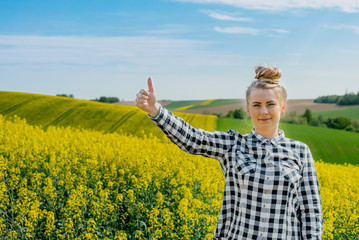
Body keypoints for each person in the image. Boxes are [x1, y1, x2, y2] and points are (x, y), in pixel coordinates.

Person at [135, 66, 324, 240]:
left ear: (282, 108)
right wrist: (156, 110)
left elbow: (311, 213)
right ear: (248, 110)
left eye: (270, 104)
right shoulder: (234, 145)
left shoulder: (300, 152)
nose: (263, 111)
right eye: (256, 105)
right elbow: (192, 138)